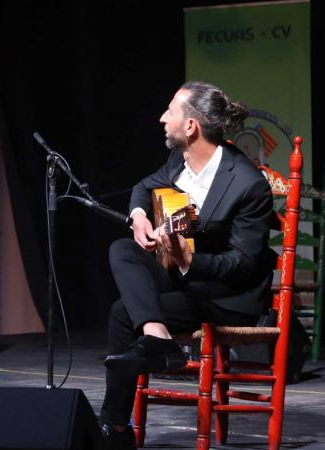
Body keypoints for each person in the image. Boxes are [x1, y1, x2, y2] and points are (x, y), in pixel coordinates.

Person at [99, 81, 276, 449]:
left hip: (227, 297)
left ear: (191, 126)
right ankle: (156, 339)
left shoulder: (246, 184)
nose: (163, 118)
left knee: (120, 313)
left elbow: (243, 264)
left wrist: (190, 259)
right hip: (186, 286)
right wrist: (138, 216)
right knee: (122, 247)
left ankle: (115, 426)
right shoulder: (178, 162)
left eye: (170, 112)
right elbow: (144, 185)